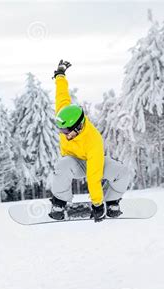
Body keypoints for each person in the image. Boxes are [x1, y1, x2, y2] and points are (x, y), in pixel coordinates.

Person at [49, 60, 131, 222]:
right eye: (61, 130)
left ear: (78, 127)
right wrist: (60, 75)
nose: (64, 134)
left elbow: (94, 176)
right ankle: (59, 201)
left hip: (94, 162)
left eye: (67, 131)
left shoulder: (93, 140)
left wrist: (98, 204)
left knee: (122, 172)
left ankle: (112, 201)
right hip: (74, 163)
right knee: (62, 165)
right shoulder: (66, 115)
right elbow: (62, 95)